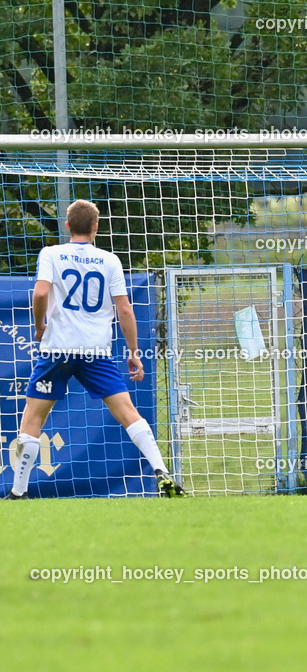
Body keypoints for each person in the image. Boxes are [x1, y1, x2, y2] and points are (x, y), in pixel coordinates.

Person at [4, 199, 186, 499]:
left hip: (58, 350)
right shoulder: (110, 260)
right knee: (128, 412)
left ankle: (19, 491)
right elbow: (125, 310)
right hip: (95, 352)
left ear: (66, 225)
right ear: (95, 227)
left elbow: (40, 292)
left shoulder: (51, 253)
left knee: (33, 417)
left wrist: (39, 326)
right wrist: (133, 352)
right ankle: (161, 471)